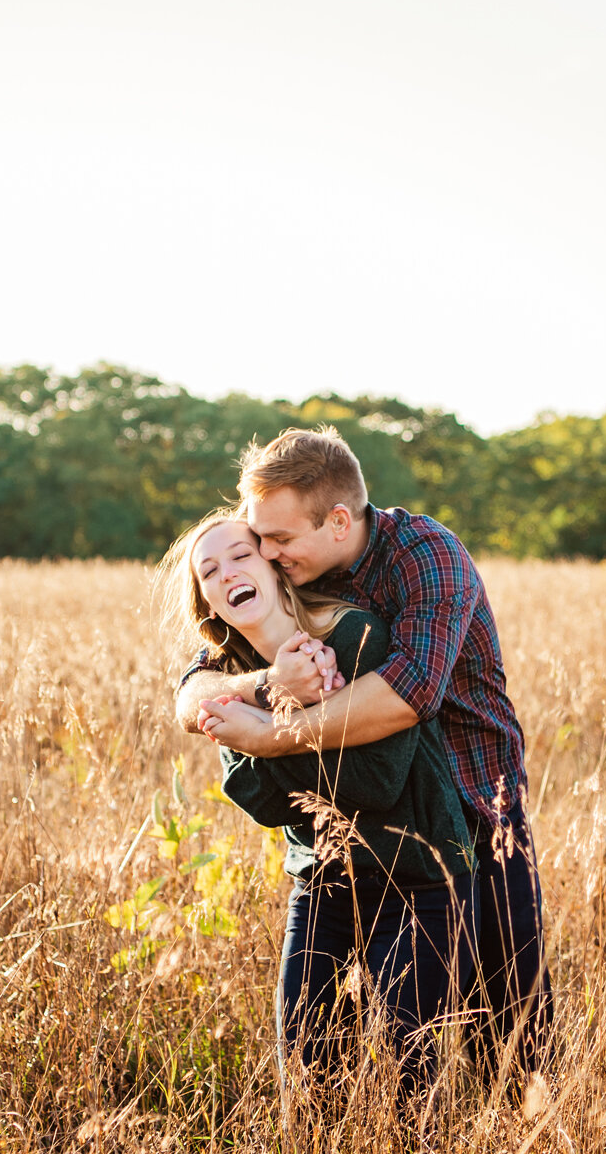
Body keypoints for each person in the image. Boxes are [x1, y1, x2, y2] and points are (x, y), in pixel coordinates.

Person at [178, 427, 553, 1087]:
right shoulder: (287, 584)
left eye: (277, 540)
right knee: (321, 1043)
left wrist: (266, 734)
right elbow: (198, 685)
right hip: (345, 851)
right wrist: (258, 686)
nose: (263, 554)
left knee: (510, 1018)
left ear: (339, 521)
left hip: (473, 805)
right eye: (254, 538)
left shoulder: (424, 555)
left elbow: (406, 696)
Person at [162, 508, 473, 1110]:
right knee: (307, 1079)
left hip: (419, 877)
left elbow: (377, 779)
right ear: (207, 603)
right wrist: (272, 697)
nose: (228, 574)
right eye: (209, 571)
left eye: (241, 556)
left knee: (411, 1086)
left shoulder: (356, 635)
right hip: (321, 881)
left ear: (276, 568)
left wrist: (264, 731)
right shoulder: (228, 675)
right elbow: (259, 800)